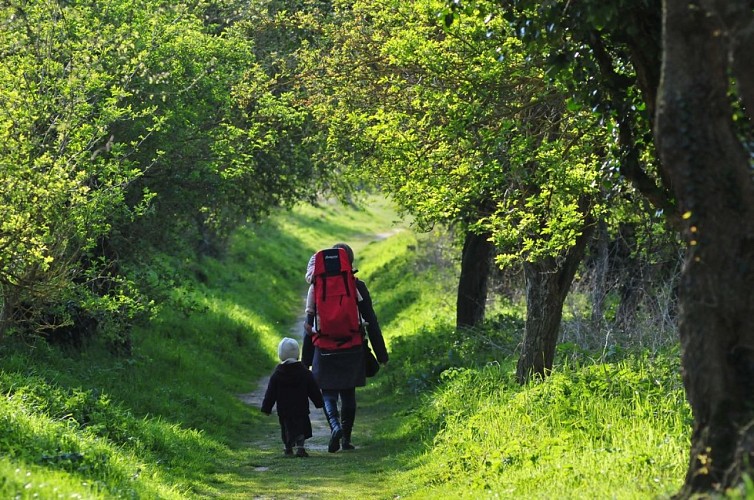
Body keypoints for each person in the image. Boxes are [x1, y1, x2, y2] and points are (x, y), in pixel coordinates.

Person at [302, 243, 389, 453]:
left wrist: (305, 361)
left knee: (329, 394)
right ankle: (346, 439)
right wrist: (381, 354)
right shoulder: (357, 286)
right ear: (348, 262)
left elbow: (308, 326)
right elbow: (372, 321)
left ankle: (335, 426)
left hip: (324, 348)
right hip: (353, 346)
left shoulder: (316, 286)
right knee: (348, 394)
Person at [261, 337, 324, 457]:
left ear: (281, 355)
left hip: (284, 409)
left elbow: (271, 393)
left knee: (286, 428)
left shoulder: (277, 374)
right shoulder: (305, 373)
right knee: (302, 427)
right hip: (301, 408)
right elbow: (313, 390)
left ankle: (287, 447)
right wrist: (319, 402)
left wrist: (266, 408)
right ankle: (300, 447)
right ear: (297, 354)